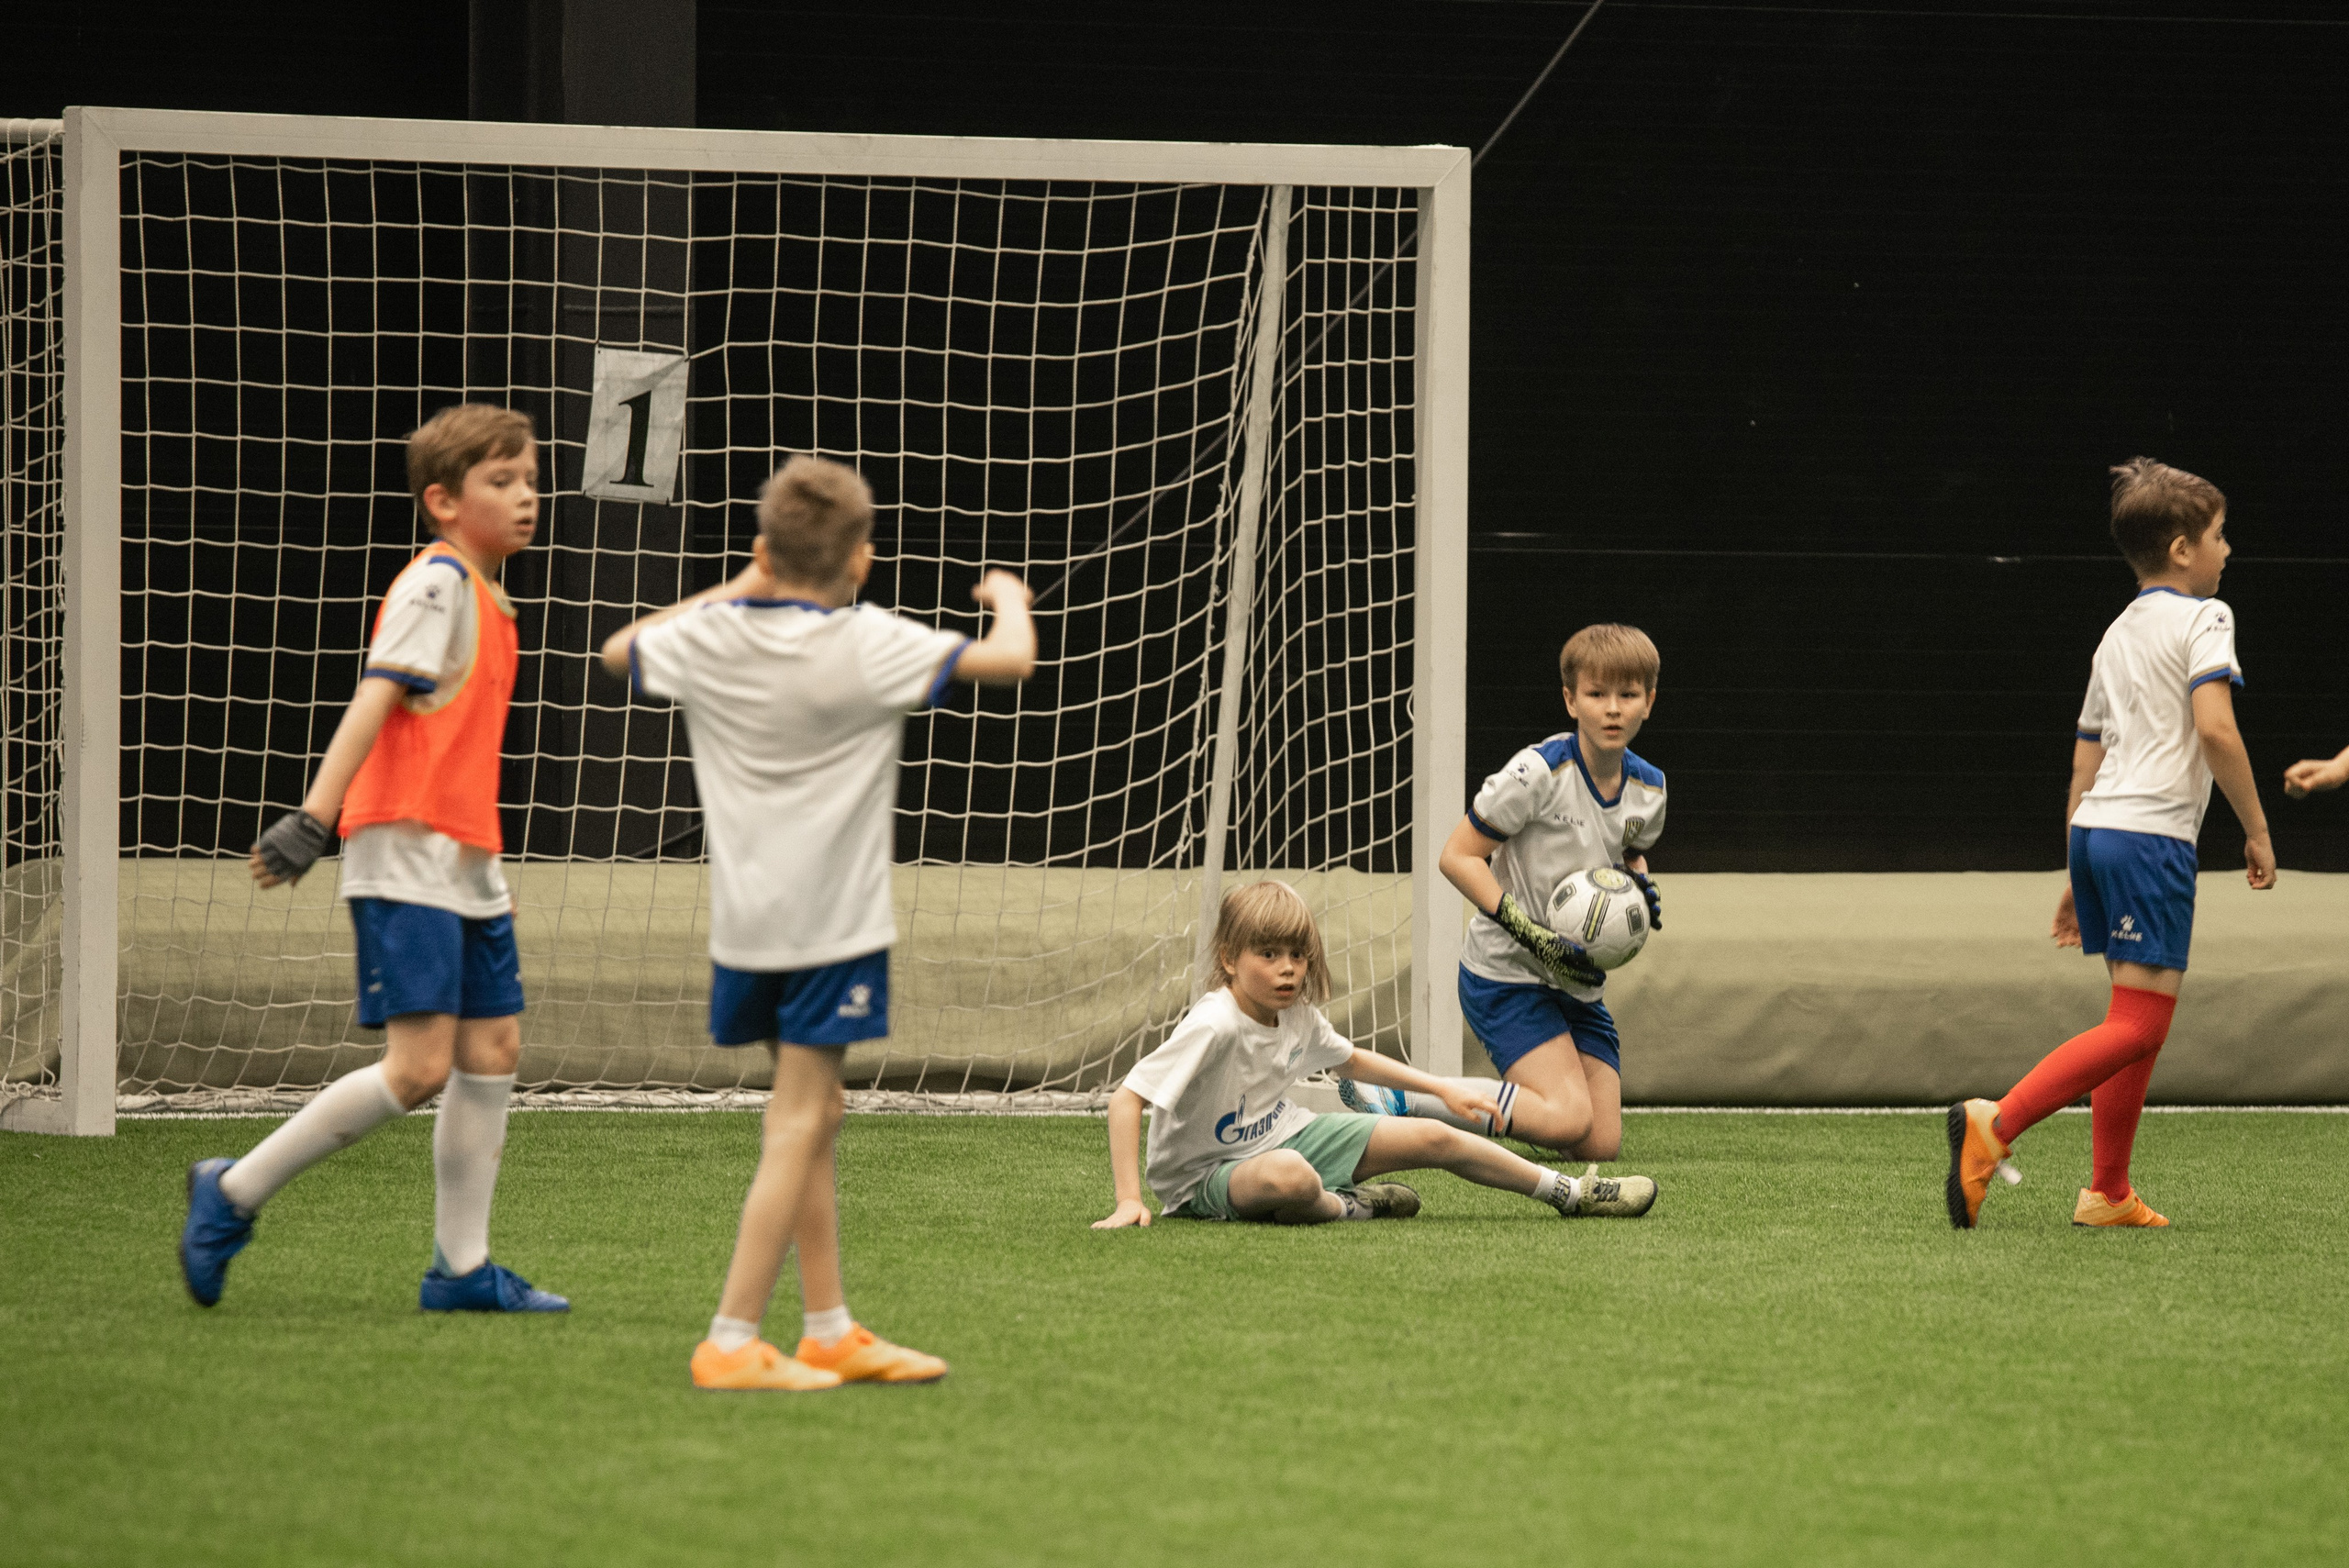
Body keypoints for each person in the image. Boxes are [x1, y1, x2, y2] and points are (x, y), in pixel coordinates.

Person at [603, 454, 1033, 1391]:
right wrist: (1008, 597)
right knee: (800, 1117)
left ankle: (829, 1326)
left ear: (764, 550)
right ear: (862, 558)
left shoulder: (711, 633)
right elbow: (1012, 659)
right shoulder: (869, 640)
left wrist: (741, 582)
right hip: (832, 932)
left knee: (818, 1111)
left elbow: (619, 648)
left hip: (745, 929)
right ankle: (729, 1339)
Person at [179, 404, 565, 1313]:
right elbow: (375, 697)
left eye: (531, 479)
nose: (526, 497)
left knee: (493, 1047)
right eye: (501, 481)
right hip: (404, 850)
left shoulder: (489, 595)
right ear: (442, 500)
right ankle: (232, 1190)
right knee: (419, 1066)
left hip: (463, 858)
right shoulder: (437, 585)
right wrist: (314, 818)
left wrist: (479, 865)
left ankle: (461, 1270)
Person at [1948, 458, 2275, 1230]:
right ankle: (1996, 1122)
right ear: (2183, 549)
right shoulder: (2207, 618)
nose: (2229, 549)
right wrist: (2258, 830)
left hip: (2100, 832)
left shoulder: (2116, 632)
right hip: (2151, 838)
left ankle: (2107, 1192)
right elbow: (2216, 729)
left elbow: (2085, 761)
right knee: (2142, 1024)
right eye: (2221, 535)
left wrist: (2077, 867)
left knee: (2133, 1020)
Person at [1095, 880, 1657, 1229]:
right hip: (1205, 1177)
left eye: (1297, 955)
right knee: (1292, 1177)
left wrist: (1442, 1089)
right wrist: (1128, 1201)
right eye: (1268, 954)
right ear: (1229, 959)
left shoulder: (1296, 1013)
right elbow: (1127, 1100)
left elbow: (1352, 1061)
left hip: (1287, 1135)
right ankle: (1351, 1206)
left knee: (1436, 1136)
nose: (1288, 969)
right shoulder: (1214, 1024)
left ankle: (1570, 1193)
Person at [1344, 625, 1664, 1167]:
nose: (1613, 709)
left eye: (1628, 694)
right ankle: (1409, 1097)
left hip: (1578, 981)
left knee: (1598, 1145)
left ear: (1649, 702)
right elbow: (1457, 856)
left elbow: (1628, 854)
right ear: (1571, 700)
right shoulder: (1537, 772)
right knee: (1567, 1119)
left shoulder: (1650, 789)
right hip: (1506, 975)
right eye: (1596, 693)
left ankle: (1513, 1108)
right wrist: (1530, 933)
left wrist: (1638, 887)